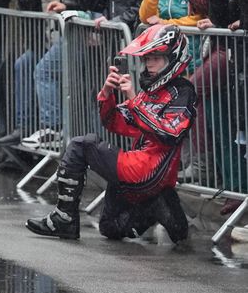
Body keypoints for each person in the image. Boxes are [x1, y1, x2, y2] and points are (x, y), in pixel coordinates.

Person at [26, 24, 197, 243]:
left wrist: (134, 101)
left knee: (81, 145)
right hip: (144, 174)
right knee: (109, 228)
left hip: (147, 169)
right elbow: (115, 123)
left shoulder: (183, 91)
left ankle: (64, 218)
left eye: (156, 57)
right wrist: (107, 93)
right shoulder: (151, 91)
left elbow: (169, 134)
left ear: (172, 57)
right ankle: (156, 205)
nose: (149, 63)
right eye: (147, 58)